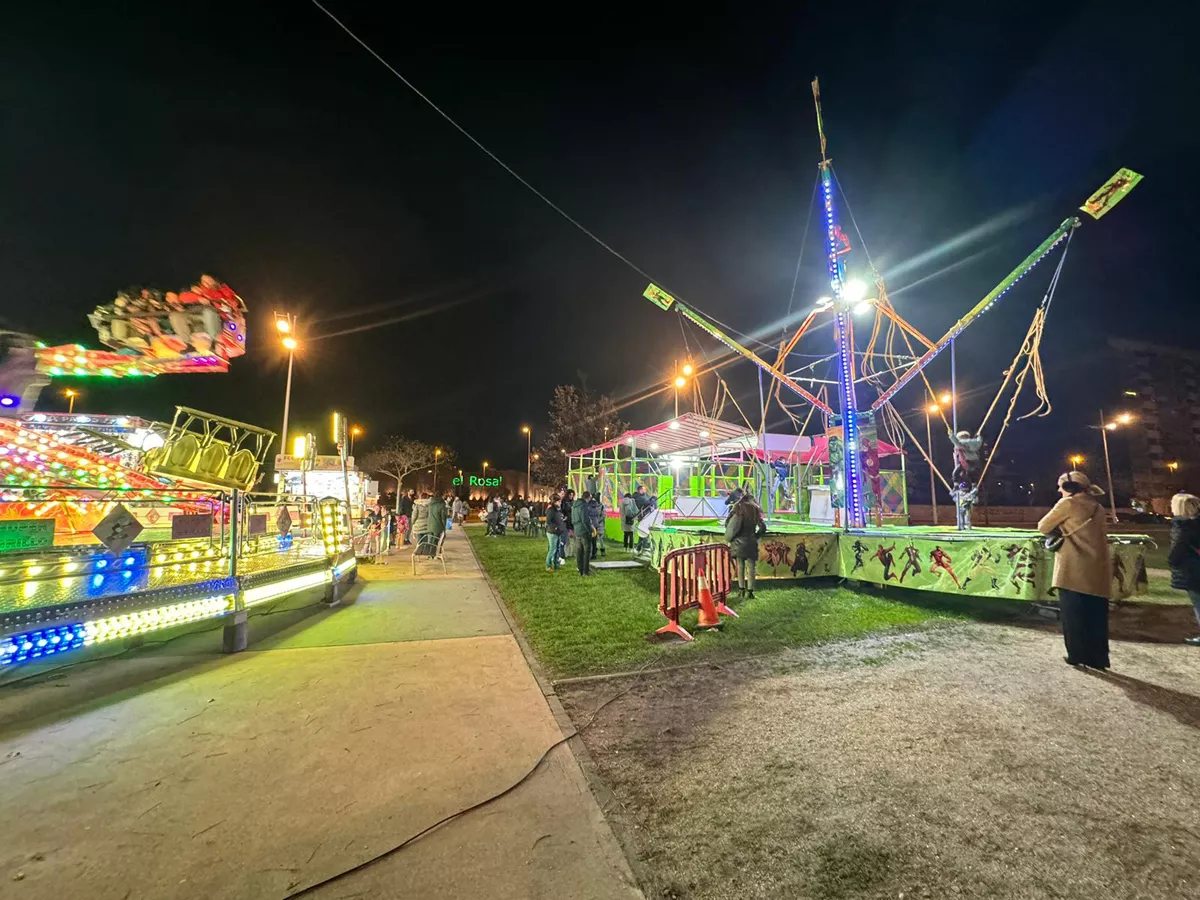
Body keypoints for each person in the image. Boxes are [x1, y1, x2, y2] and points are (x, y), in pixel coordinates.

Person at [1037, 471, 1111, 669]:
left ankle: (1077, 654)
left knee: (1073, 615)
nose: (1058, 489)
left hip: (1074, 568)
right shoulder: (1098, 507)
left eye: (1061, 486)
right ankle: (1099, 657)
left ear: (1070, 488)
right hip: (1097, 568)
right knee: (1096, 615)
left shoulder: (1067, 504)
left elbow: (1043, 526)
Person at [1167, 492, 1200, 646]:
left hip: (1192, 570)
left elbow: (1178, 549)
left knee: (1198, 605)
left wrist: (1172, 562)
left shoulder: (1183, 526)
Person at [724, 494, 767, 598]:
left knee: (741, 566)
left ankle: (741, 590)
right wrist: (757, 536)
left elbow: (728, 524)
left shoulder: (737, 507)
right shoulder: (755, 509)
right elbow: (763, 527)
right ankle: (750, 591)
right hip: (751, 541)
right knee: (751, 567)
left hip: (738, 541)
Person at [571, 490, 595, 576]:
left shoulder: (574, 505)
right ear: (588, 497)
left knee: (579, 552)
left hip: (577, 531)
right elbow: (585, 520)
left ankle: (580, 570)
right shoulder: (583, 506)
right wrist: (590, 531)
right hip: (584, 531)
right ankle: (586, 571)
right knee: (586, 552)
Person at [545, 493, 568, 572]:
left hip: (558, 532)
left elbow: (558, 518)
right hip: (552, 532)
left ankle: (556, 564)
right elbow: (548, 521)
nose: (560, 502)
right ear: (555, 502)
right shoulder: (551, 510)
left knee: (557, 549)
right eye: (559, 501)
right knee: (552, 549)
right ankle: (548, 565)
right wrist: (555, 527)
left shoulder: (558, 509)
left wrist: (562, 519)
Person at [587, 492, 606, 559]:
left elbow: (603, 515)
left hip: (598, 524)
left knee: (599, 538)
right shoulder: (591, 505)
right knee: (595, 539)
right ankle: (595, 552)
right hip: (595, 524)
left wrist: (597, 521)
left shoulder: (601, 506)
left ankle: (601, 550)